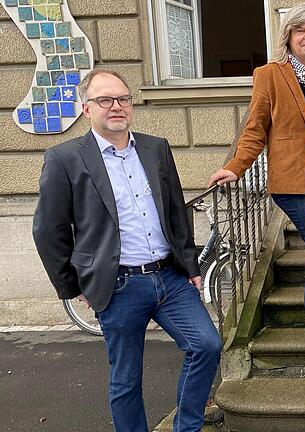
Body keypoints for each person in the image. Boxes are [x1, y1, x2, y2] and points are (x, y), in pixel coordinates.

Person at [32, 69, 222, 432]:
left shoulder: (156, 148)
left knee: (207, 345)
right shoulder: (65, 158)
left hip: (169, 277)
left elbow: (173, 209)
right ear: (87, 108)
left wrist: (190, 263)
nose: (116, 106)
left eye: (123, 99)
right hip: (117, 286)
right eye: (105, 100)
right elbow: (48, 230)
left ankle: (186, 426)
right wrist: (73, 286)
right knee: (126, 379)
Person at [207, 4, 305, 340]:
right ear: (289, 37)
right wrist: (235, 167)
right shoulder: (270, 75)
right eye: (300, 31)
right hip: (293, 181)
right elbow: (255, 129)